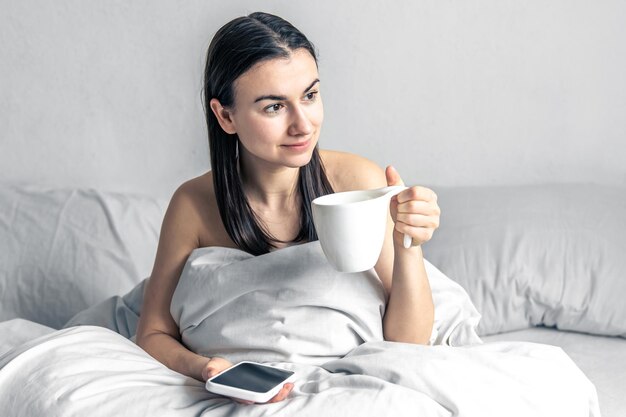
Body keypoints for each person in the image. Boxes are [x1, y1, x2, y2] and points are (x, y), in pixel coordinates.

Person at [135, 11, 440, 404]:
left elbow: (410, 342)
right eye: (274, 107)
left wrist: (408, 244)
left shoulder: (360, 182)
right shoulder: (193, 205)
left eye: (310, 96)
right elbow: (153, 333)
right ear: (225, 116)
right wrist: (208, 368)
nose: (303, 125)